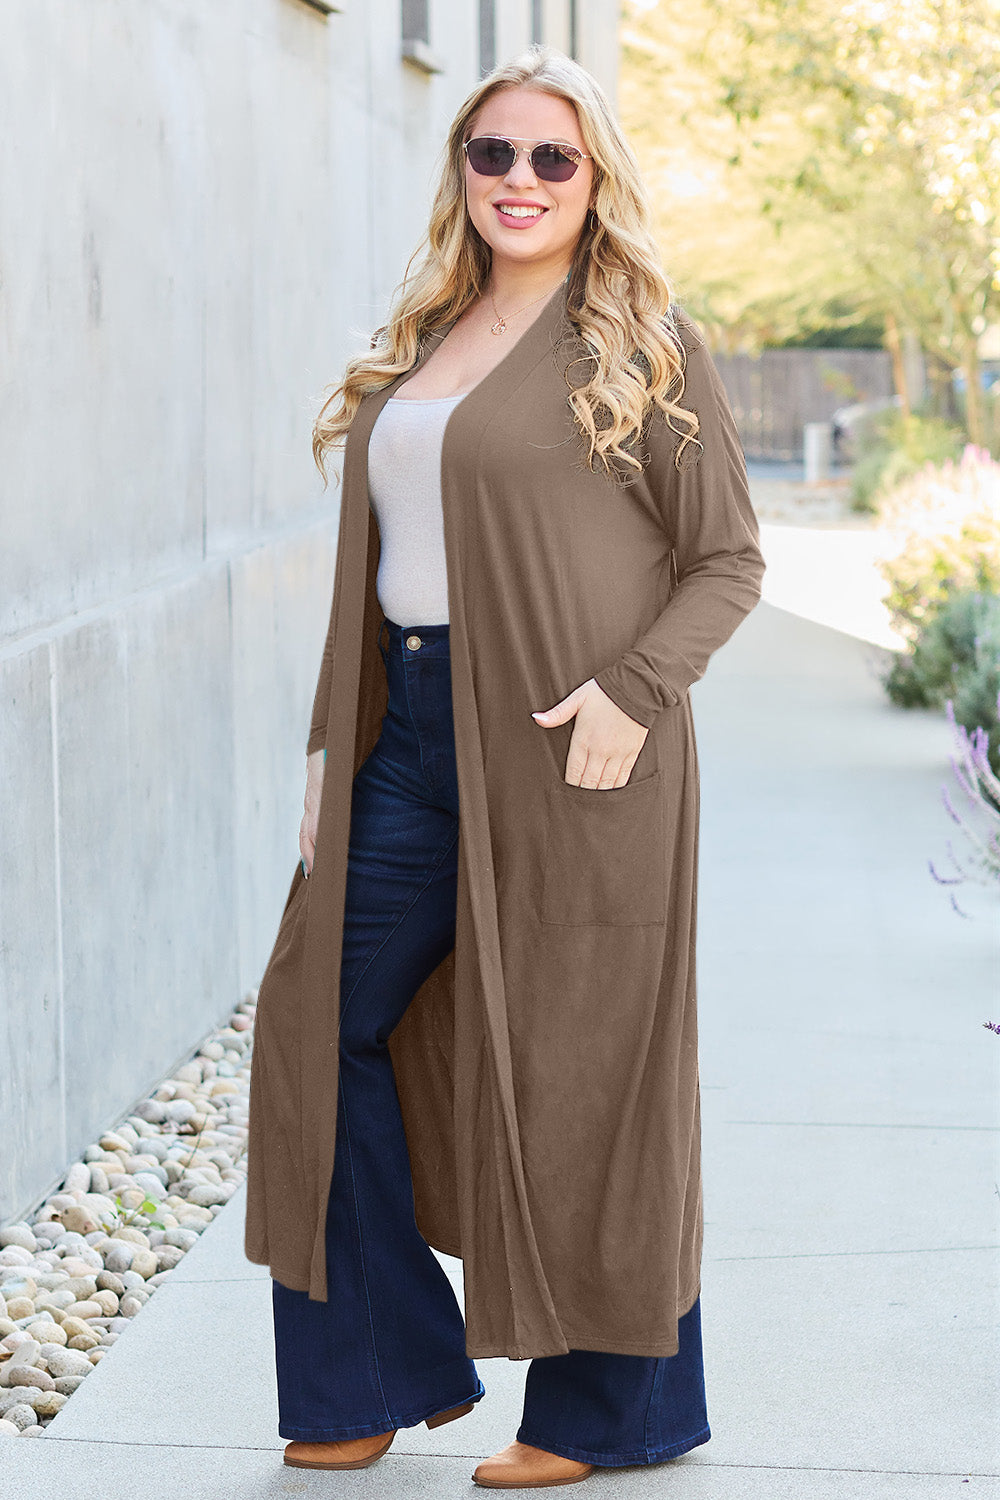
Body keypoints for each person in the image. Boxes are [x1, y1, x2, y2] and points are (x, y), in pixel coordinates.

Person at [244, 43, 766, 1491]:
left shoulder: (645, 345)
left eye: (554, 157)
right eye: (495, 155)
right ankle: (376, 1363)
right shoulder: (426, 334)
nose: (521, 181)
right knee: (313, 1022)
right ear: (460, 174)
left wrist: (635, 690)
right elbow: (382, 566)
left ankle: (614, 1415)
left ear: (598, 179)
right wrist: (329, 748)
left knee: (591, 1067)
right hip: (405, 737)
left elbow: (728, 559)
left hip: (577, 749)